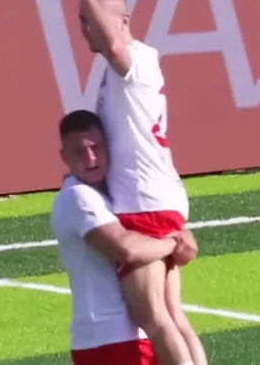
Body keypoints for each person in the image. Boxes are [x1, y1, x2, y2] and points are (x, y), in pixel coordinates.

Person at [74, 0, 208, 365]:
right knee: (171, 313)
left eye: (94, 18)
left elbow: (114, 44)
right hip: (156, 197)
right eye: (83, 20)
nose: (87, 27)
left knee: (152, 316)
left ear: (123, 21)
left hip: (143, 203)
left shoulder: (131, 61)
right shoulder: (130, 66)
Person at [51, 109, 199, 365]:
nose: (91, 158)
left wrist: (179, 235)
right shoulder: (78, 197)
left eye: (96, 147)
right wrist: (173, 243)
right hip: (108, 340)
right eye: (79, 151)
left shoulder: (113, 193)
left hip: (131, 337)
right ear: (64, 157)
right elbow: (126, 249)